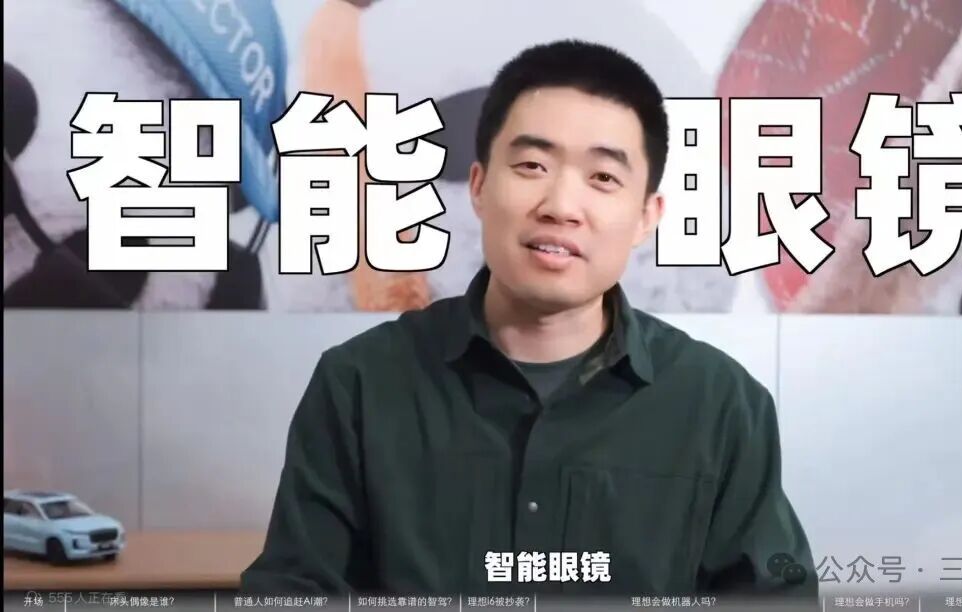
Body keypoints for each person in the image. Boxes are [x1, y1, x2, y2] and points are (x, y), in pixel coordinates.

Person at [241, 39, 816, 599]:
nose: (560, 206)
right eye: (532, 165)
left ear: (646, 217)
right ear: (479, 187)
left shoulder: (720, 404)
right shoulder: (360, 385)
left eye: (603, 177)